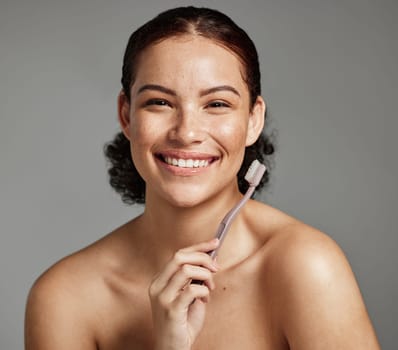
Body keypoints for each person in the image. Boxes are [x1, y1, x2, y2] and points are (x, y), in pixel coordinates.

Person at [25, 6, 380, 350]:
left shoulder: (308, 267)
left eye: (217, 104)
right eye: (160, 103)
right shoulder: (64, 298)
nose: (187, 132)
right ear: (126, 115)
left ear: (253, 120)